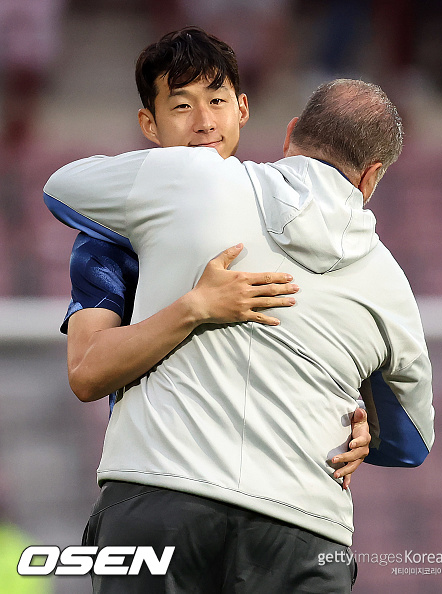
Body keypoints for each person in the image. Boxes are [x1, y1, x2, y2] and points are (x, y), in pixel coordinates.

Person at [44, 77, 435, 593]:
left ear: (290, 131)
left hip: (163, 495)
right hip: (306, 527)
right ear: (371, 176)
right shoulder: (390, 282)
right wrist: (368, 428)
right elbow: (411, 441)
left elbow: (61, 188)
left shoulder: (195, 183)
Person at [52, 27, 371, 485]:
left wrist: (353, 418)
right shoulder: (113, 233)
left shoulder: (298, 223)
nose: (204, 121)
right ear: (149, 124)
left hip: (279, 498)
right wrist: (194, 308)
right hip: (165, 484)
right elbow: (87, 372)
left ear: (242, 109)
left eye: (217, 101)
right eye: (182, 105)